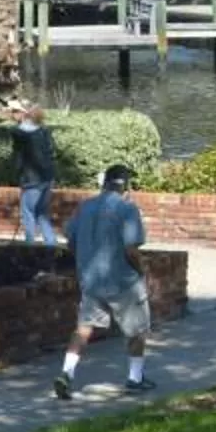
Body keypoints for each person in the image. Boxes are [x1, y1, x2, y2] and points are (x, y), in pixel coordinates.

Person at [54, 162, 152, 398]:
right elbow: (131, 249)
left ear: (104, 183)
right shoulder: (127, 209)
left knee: (83, 328)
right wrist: (141, 271)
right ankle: (134, 378)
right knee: (137, 330)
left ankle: (66, 373)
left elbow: (70, 240)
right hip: (123, 280)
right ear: (125, 186)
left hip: (91, 279)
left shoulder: (84, 207)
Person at [10, 100, 60, 245]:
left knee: (28, 214)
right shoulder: (44, 131)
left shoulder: (18, 133)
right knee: (42, 214)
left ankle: (29, 249)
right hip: (47, 178)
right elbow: (51, 153)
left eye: (15, 111)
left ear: (23, 113)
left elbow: (18, 159)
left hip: (31, 180)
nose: (12, 114)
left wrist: (17, 174)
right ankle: (51, 246)